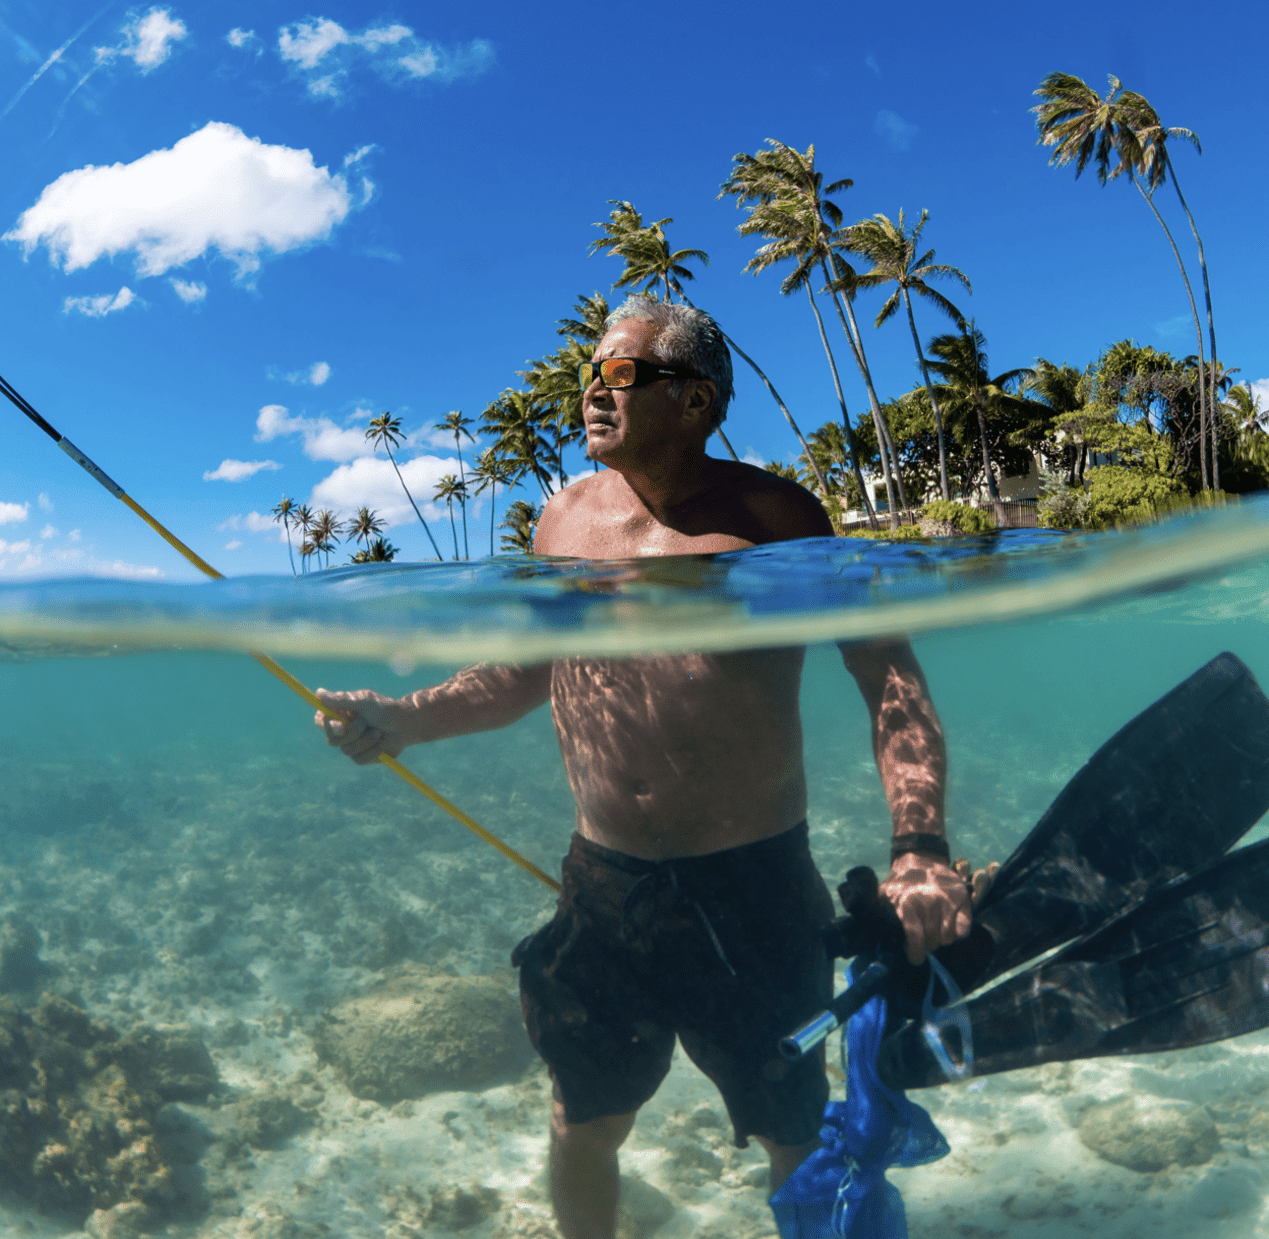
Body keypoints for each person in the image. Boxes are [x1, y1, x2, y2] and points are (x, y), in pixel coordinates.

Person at [315, 299, 974, 1239]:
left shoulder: (774, 517)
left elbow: (889, 678)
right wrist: (400, 718)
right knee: (582, 1119)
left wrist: (918, 846)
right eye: (592, 370)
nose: (592, 389)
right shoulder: (564, 517)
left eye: (621, 374)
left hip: (753, 889)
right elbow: (518, 676)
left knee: (791, 1131)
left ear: (696, 401)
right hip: (605, 886)